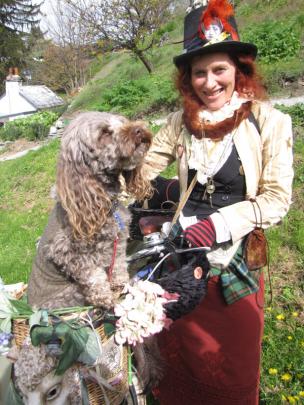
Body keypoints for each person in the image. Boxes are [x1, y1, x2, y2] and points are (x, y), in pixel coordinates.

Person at [141, 0, 294, 403]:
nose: (209, 83)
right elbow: (141, 172)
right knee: (179, 363)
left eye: (219, 69)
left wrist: (218, 225)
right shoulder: (180, 123)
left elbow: (277, 199)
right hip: (181, 260)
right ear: (187, 79)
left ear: (238, 69)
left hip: (234, 266)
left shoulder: (270, 121)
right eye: (199, 73)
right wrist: (156, 194)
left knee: (231, 366)